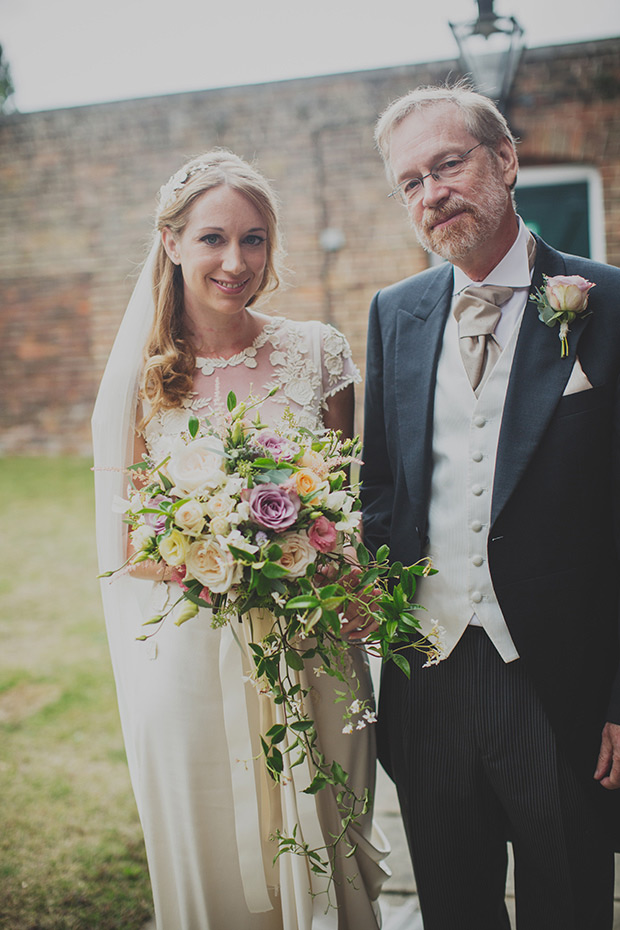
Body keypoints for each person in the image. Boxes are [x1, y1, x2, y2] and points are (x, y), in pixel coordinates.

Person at [92, 149, 389, 930]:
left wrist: (348, 582)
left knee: (327, 834)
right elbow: (131, 545)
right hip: (193, 655)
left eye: (254, 239)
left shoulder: (317, 352)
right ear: (172, 242)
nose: (235, 261)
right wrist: (224, 550)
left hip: (315, 647)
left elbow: (346, 507)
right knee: (224, 855)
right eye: (213, 239)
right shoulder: (141, 377)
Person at [360, 84, 620, 930]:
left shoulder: (608, 302)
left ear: (505, 162)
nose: (431, 193)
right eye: (410, 182)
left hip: (560, 683)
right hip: (426, 680)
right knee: (454, 909)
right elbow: (383, 490)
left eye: (448, 164)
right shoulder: (394, 314)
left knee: (569, 903)